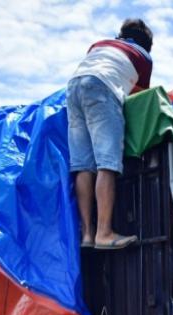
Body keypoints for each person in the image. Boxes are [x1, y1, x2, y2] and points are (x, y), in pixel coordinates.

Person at [67, 18, 153, 250]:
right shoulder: (143, 57)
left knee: (83, 165)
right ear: (146, 43)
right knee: (107, 163)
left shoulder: (99, 45)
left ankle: (87, 234)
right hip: (102, 88)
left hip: (73, 87)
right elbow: (139, 97)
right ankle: (104, 233)